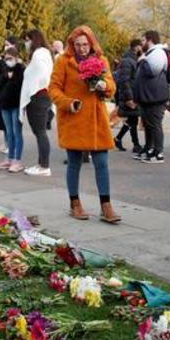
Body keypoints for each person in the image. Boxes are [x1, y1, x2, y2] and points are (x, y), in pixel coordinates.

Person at [48, 26, 121, 223]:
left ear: (92, 43)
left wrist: (104, 86)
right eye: (78, 44)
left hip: (97, 120)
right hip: (74, 119)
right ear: (72, 44)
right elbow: (53, 89)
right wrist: (68, 103)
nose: (82, 48)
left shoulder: (101, 60)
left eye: (85, 44)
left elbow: (111, 87)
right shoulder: (63, 61)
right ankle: (75, 203)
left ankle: (106, 205)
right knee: (74, 162)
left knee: (102, 163)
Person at [133, 31, 170, 163]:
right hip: (148, 97)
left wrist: (143, 61)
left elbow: (153, 71)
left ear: (150, 40)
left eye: (143, 40)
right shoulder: (151, 53)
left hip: (155, 97)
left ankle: (158, 153)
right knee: (149, 124)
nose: (141, 44)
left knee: (155, 125)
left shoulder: (158, 52)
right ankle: (149, 149)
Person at [20, 29, 54, 176]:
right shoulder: (44, 53)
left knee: (40, 132)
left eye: (27, 40)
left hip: (38, 96)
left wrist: (34, 89)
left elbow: (42, 75)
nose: (26, 44)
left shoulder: (39, 54)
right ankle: (41, 164)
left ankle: (44, 166)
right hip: (41, 96)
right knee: (39, 132)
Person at [0, 47, 25, 171]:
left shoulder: (21, 69)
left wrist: (11, 78)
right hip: (5, 104)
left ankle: (17, 160)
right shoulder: (5, 69)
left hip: (16, 104)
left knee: (16, 132)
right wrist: (6, 76)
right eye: (6, 58)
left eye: (10, 58)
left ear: (16, 58)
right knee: (9, 132)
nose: (8, 61)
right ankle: (9, 158)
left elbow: (19, 85)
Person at [112, 39, 143, 154]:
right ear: (136, 47)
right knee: (133, 119)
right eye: (141, 46)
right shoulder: (127, 61)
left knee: (132, 119)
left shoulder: (135, 59)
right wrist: (130, 98)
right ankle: (136, 145)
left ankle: (118, 139)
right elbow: (125, 81)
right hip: (129, 95)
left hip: (133, 94)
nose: (142, 48)